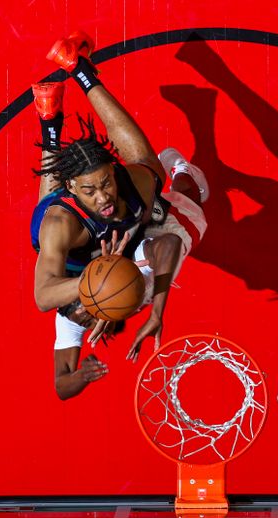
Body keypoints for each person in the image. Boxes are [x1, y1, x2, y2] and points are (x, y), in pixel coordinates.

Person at [29, 31, 208, 399]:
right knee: (154, 179)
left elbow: (45, 296)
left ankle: (50, 120)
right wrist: (110, 277)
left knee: (56, 208)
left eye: (105, 184)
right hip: (121, 240)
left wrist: (95, 280)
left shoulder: (119, 189)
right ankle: (80, 72)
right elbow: (167, 243)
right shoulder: (128, 283)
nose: (104, 196)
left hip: (84, 238)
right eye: (92, 190)